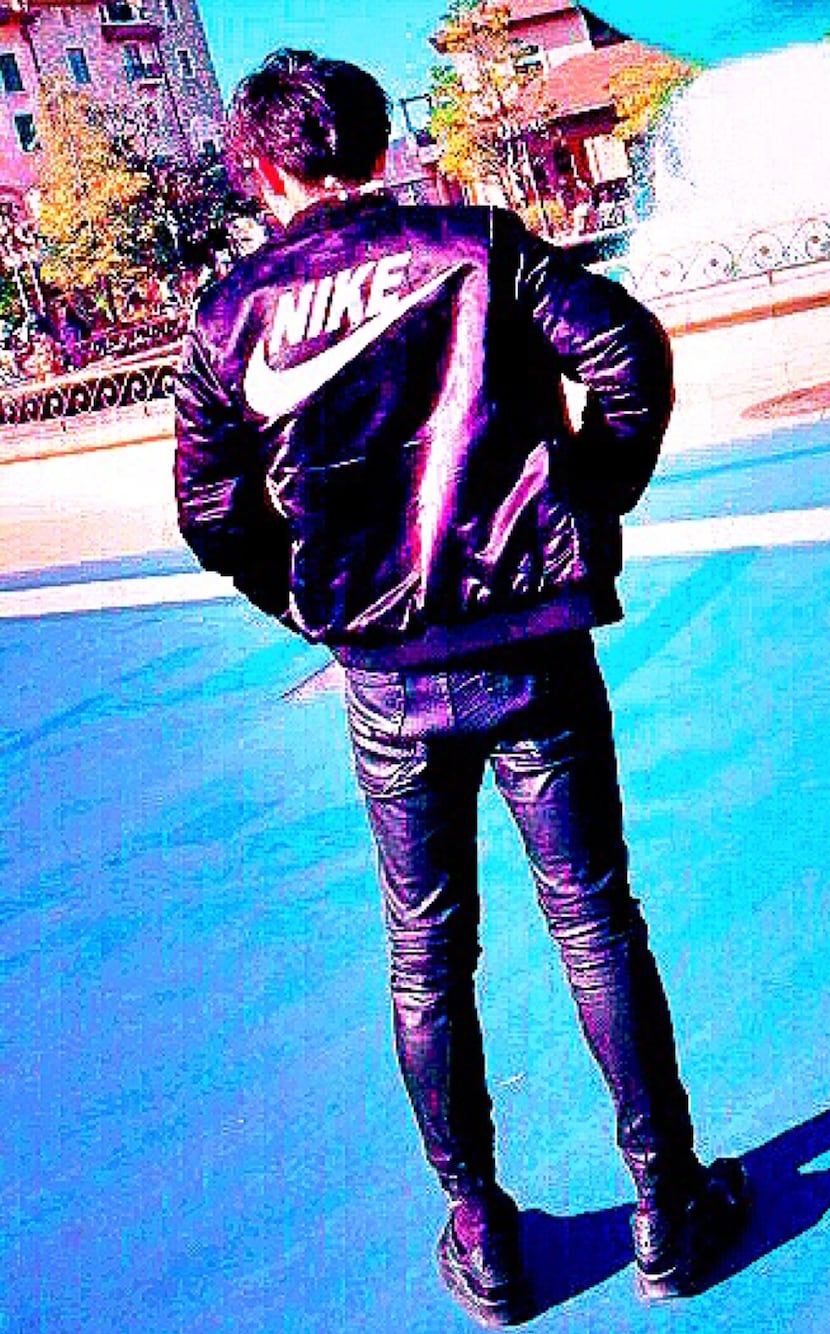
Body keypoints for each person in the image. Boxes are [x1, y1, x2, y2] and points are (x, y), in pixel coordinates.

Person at [173, 49, 750, 1326]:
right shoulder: (476, 246)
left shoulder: (229, 320)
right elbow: (628, 359)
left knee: (426, 952)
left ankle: (482, 1230)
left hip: (388, 677)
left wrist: (318, 605)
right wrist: (579, 506)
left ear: (262, 171)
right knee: (593, 918)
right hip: (528, 644)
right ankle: (666, 1202)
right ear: (376, 146)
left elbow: (210, 512)